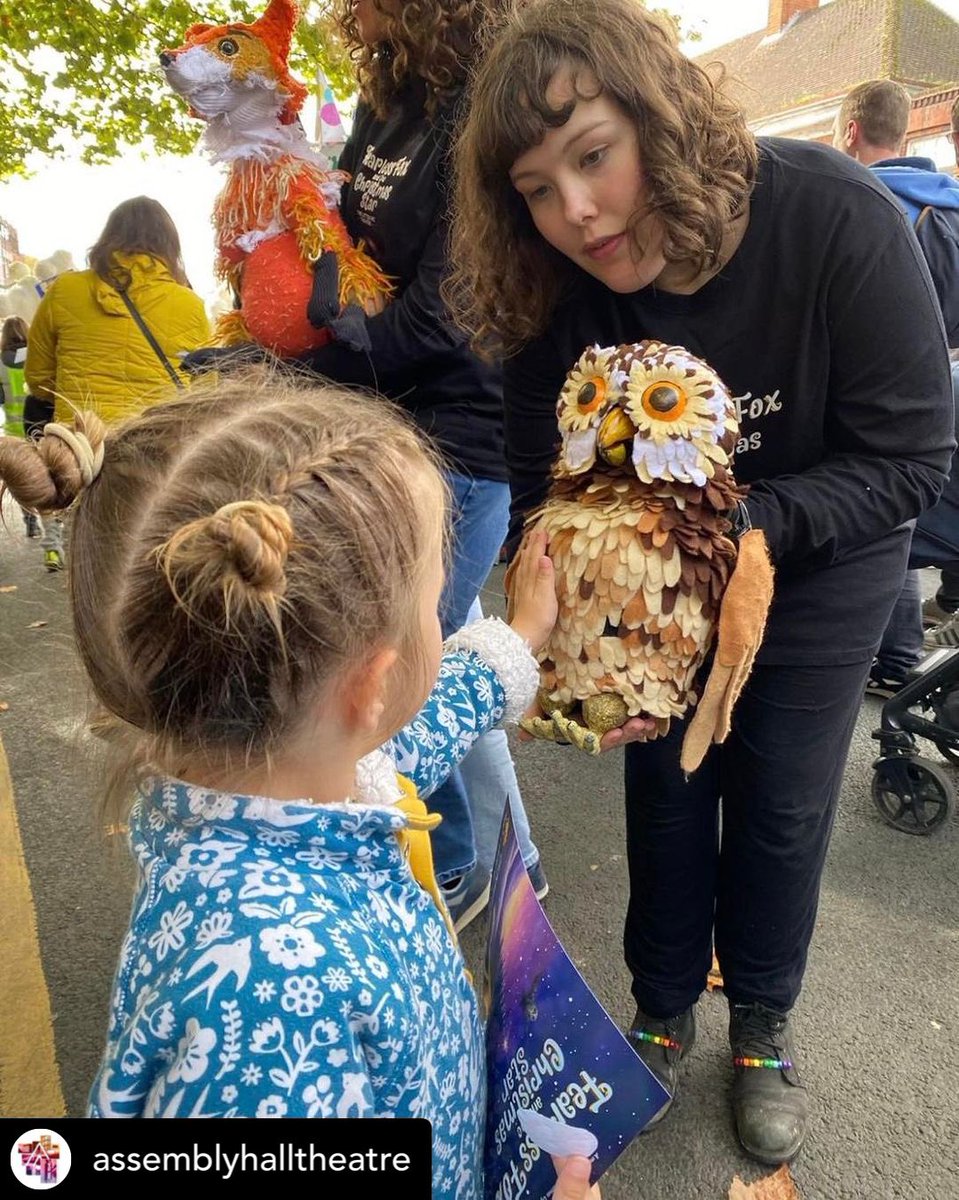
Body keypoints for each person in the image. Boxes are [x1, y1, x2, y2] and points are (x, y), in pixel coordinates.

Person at [447, 0, 954, 1166]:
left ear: (659, 117)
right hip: (654, 583)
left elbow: (908, 459)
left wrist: (730, 529)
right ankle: (663, 1005)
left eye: (592, 156)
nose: (575, 212)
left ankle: (762, 1024)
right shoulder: (550, 284)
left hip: (819, 560)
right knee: (669, 788)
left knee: (780, 804)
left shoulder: (834, 215)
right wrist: (575, 636)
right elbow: (540, 484)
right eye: (534, 189)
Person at [0, 370, 599, 1199]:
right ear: (371, 685)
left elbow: (404, 741)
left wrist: (520, 636)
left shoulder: (284, 787)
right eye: (436, 606)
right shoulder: (271, 1012)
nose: (444, 625)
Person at [295, 0, 545, 928]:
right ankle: (514, 865)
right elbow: (346, 246)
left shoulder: (478, 105)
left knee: (399, 676)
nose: (347, 13)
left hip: (463, 439)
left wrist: (306, 369)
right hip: (389, 418)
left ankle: (458, 865)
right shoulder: (385, 103)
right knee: (446, 657)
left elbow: (447, 314)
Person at [833, 79, 959, 693]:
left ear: (851, 131)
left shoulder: (860, 207)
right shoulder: (950, 207)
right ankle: (901, 657)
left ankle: (879, 656)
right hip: (948, 400)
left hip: (879, 396)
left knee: (874, 513)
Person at [25, 195, 210, 570]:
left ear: (108, 237)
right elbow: (206, 390)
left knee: (91, 567)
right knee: (148, 564)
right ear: (169, 246)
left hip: (83, 455)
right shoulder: (189, 305)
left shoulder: (65, 291)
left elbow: (39, 381)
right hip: (156, 456)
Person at [0, 315, 42, 538]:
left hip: (13, 432)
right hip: (39, 427)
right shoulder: (38, 356)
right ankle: (53, 521)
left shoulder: (0, 363)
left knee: (21, 479)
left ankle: (30, 521)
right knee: (46, 475)